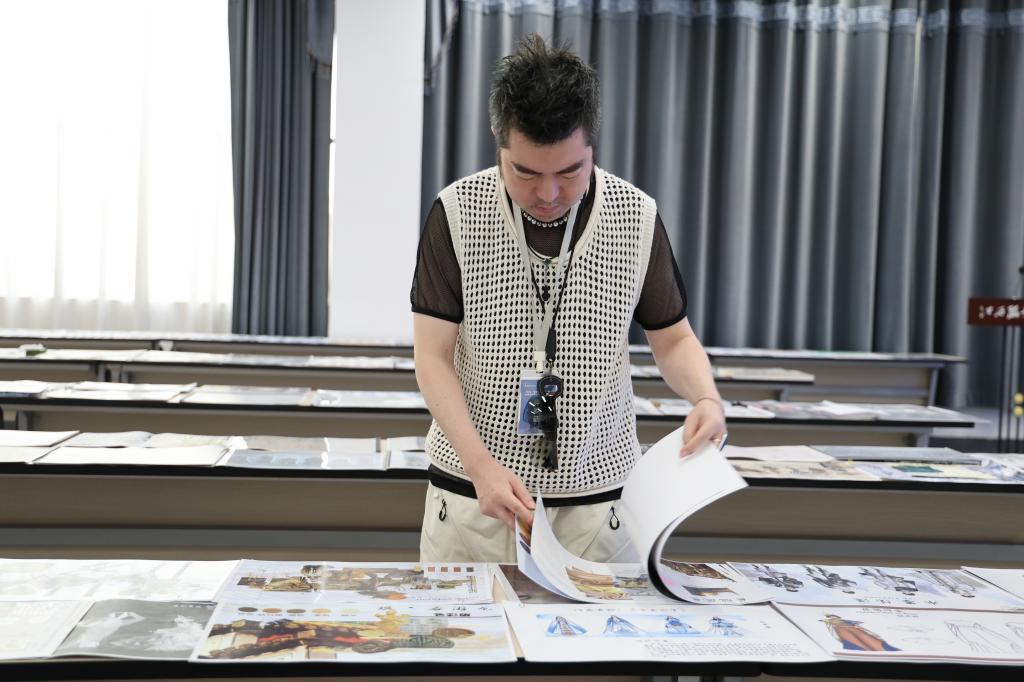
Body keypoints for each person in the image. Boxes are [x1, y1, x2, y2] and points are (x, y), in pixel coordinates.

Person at [411, 34, 726, 563]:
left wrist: (706, 399)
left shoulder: (635, 216)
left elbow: (673, 339)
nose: (549, 193)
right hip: (473, 500)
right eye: (526, 172)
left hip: (598, 507)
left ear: (592, 144)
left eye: (569, 172)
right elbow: (432, 356)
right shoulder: (457, 212)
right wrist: (481, 467)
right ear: (497, 138)